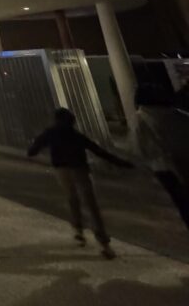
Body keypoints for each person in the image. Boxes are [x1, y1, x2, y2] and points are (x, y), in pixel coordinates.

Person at [27, 108, 133, 258]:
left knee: (72, 198)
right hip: (80, 169)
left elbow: (33, 150)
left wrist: (34, 149)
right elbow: (98, 151)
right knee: (91, 203)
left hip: (62, 170)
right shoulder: (76, 135)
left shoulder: (50, 133)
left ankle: (78, 230)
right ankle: (104, 243)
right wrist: (122, 163)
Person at [136, 86, 189, 230]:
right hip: (181, 159)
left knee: (182, 201)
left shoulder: (142, 116)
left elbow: (141, 147)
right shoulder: (175, 114)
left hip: (163, 166)